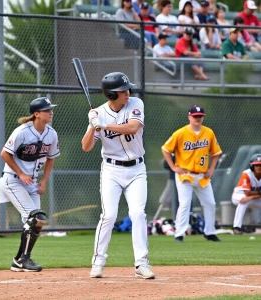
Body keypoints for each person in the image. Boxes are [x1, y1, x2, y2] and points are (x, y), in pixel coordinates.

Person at [82, 72, 155, 280]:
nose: (128, 92)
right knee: (109, 215)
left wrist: (103, 126)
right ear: (112, 94)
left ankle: (141, 264)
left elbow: (132, 127)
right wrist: (91, 126)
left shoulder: (135, 103)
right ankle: (98, 262)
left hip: (136, 170)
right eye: (123, 90)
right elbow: (86, 147)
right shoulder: (98, 114)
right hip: (111, 170)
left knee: (138, 214)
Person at [0, 97, 60, 272]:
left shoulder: (51, 133)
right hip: (13, 180)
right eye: (47, 110)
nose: (51, 112)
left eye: (51, 109)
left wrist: (44, 182)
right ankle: (22, 260)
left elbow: (51, 158)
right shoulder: (22, 131)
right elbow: (5, 154)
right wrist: (21, 173)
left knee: (37, 222)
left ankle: (20, 260)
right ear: (37, 114)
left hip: (31, 184)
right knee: (36, 218)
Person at [161, 104, 223, 243]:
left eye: (200, 116)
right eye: (195, 116)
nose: (198, 118)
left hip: (202, 175)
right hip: (185, 174)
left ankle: (210, 232)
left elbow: (216, 153)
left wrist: (212, 168)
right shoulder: (180, 133)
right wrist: (173, 167)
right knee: (185, 203)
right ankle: (179, 233)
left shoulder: (209, 132)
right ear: (189, 117)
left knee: (210, 203)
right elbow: (165, 149)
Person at [232, 154, 261, 235]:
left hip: (253, 198)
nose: (259, 167)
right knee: (244, 201)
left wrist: (253, 196)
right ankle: (236, 227)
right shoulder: (247, 174)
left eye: (260, 165)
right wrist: (256, 195)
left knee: (246, 199)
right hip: (238, 195)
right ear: (252, 166)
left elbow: (249, 195)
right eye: (256, 165)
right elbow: (247, 193)